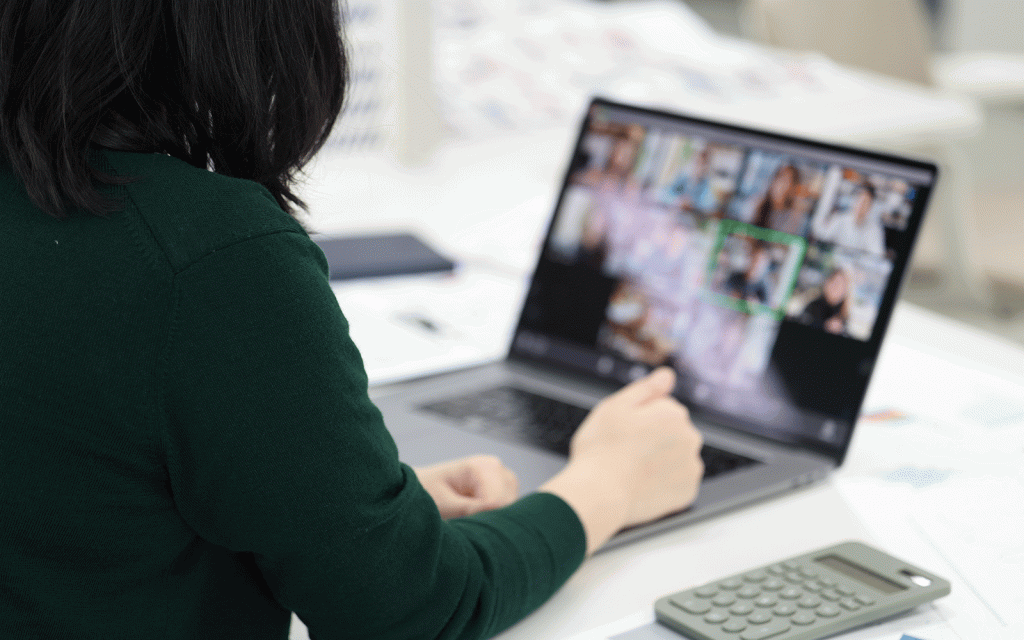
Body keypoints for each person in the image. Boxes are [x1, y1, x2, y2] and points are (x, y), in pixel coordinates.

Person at [0, 3, 704, 640]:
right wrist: (608, 485)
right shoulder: (207, 256)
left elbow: (77, 491)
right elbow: (409, 611)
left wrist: (341, 504)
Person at [812, 182, 886, 255]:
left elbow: (877, 255)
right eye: (858, 200)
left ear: (870, 207)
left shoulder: (874, 230)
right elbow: (823, 236)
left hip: (857, 266)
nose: (860, 205)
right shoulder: (840, 219)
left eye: (864, 202)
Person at [750, 163, 805, 235]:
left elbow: (786, 242)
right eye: (780, 179)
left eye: (787, 181)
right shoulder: (756, 203)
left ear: (793, 188)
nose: (781, 185)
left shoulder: (794, 216)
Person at [798, 268, 851, 335]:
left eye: (840, 285)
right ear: (827, 283)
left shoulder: (844, 316)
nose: (835, 287)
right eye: (834, 282)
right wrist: (824, 326)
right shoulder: (813, 306)